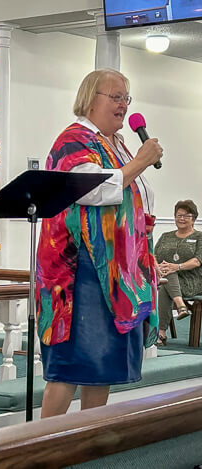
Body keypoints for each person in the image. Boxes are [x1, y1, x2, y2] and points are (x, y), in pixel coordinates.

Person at [36, 69, 163, 418]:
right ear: (91, 99)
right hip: (80, 272)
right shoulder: (73, 140)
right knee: (71, 364)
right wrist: (140, 162)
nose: (123, 105)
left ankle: (87, 441)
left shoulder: (115, 143)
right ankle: (44, 445)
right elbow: (92, 191)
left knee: (101, 364)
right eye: (116, 97)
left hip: (115, 272)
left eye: (126, 98)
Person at [155, 200, 202, 345]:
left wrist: (177, 266)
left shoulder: (199, 237)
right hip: (167, 277)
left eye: (186, 216)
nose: (181, 218)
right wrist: (158, 268)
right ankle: (180, 306)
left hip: (192, 280)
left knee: (166, 281)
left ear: (193, 218)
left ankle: (161, 333)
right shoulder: (165, 236)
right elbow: (154, 256)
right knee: (166, 280)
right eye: (178, 215)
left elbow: (197, 261)